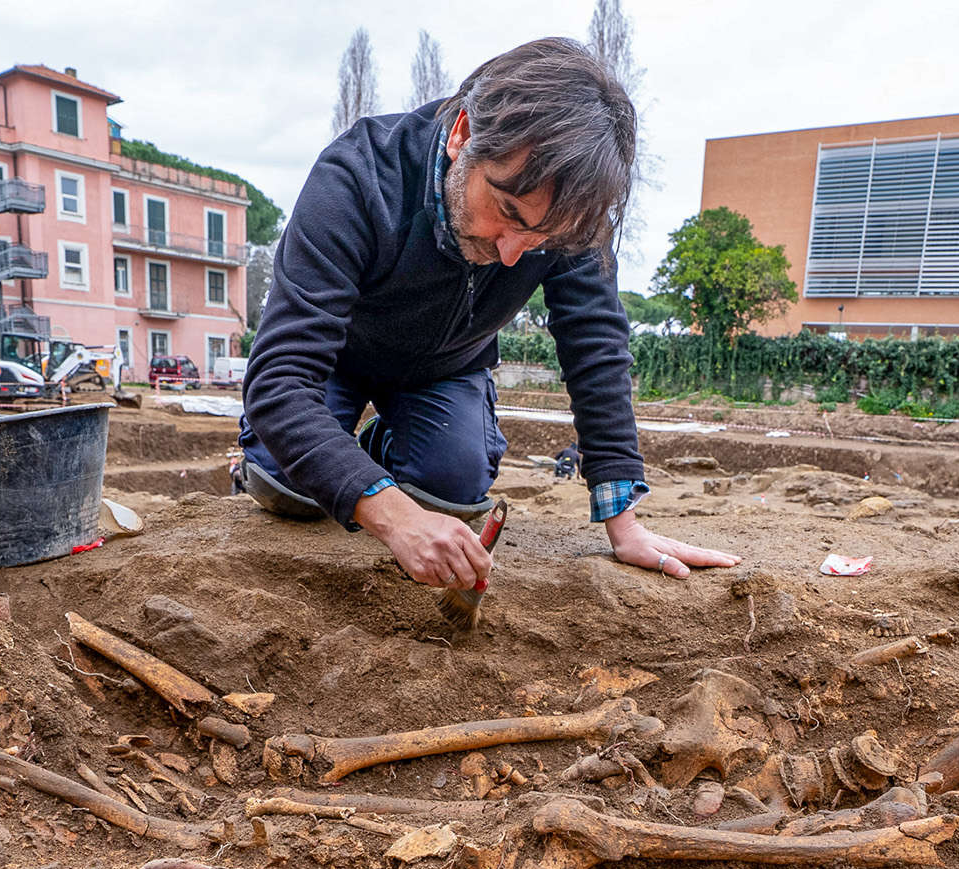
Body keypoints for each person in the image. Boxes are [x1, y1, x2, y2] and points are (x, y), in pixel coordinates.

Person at [239, 37, 737, 593]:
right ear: (462, 135)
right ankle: (341, 454)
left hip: (446, 368)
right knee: (288, 487)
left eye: (540, 238)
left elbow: (594, 342)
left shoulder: (569, 213)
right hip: (336, 358)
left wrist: (623, 521)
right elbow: (280, 380)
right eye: (506, 213)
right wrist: (394, 516)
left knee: (451, 488)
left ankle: (374, 452)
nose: (511, 253)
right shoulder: (357, 176)